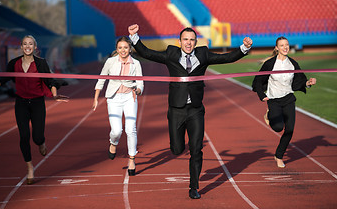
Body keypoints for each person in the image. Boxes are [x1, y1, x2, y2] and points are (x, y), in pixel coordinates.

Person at [128, 24, 253, 199]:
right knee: (177, 149)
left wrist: (244, 48)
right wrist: (134, 37)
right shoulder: (171, 54)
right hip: (176, 109)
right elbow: (147, 53)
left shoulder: (203, 54)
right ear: (179, 41)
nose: (188, 43)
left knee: (196, 149)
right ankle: (178, 148)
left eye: (191, 40)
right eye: (185, 39)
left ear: (195, 42)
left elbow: (226, 58)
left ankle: (194, 187)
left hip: (195, 110)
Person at [0, 35, 68, 185]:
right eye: (25, 44)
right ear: (21, 46)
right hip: (21, 104)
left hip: (37, 103)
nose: (28, 46)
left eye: (30, 44)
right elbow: (3, 79)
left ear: (35, 47)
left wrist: (54, 95)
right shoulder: (14, 63)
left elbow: (50, 80)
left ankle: (41, 143)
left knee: (37, 137)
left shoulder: (41, 63)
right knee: (24, 136)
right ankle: (30, 168)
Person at [252, 36, 316, 168]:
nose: (285, 47)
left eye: (286, 45)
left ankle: (279, 156)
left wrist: (308, 83)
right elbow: (258, 80)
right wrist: (261, 95)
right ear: (277, 48)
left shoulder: (292, 63)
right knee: (278, 127)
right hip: (274, 100)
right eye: (282, 45)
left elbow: (299, 80)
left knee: (290, 129)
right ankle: (269, 114)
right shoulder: (270, 64)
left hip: (288, 99)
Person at [92, 36, 144, 176]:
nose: (123, 50)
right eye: (120, 48)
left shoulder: (136, 64)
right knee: (117, 131)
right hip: (114, 98)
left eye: (125, 47)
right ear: (117, 49)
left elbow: (140, 83)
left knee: (130, 128)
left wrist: (138, 90)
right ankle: (113, 143)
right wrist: (96, 98)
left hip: (129, 97)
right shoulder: (110, 62)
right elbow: (102, 78)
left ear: (130, 49)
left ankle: (132, 159)